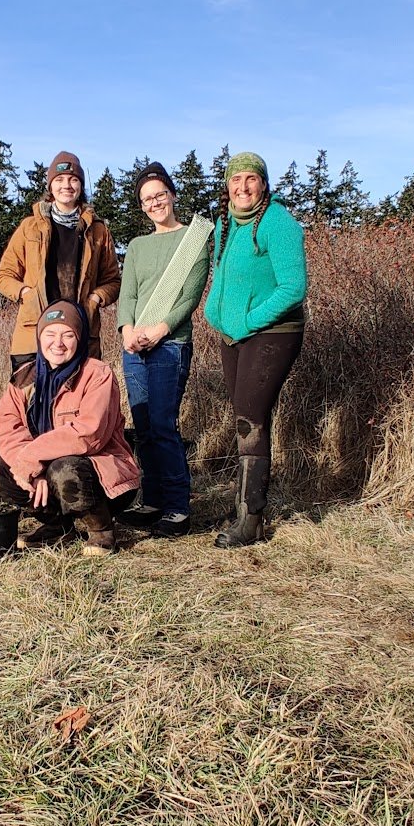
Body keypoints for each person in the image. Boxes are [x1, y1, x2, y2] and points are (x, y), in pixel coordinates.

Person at [203, 152, 306, 548]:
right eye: (235, 179)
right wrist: (215, 312)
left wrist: (248, 320)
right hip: (235, 334)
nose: (242, 187)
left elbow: (293, 287)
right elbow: (222, 278)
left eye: (251, 179)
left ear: (263, 184)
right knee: (244, 415)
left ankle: (251, 521)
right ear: (227, 185)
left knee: (250, 416)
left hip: (275, 332)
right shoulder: (225, 224)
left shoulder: (278, 223)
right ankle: (246, 506)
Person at [0, 300, 139, 555]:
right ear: (39, 338)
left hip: (101, 476)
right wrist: (30, 468)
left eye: (67, 335)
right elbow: (7, 426)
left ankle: (101, 530)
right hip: (45, 469)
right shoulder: (24, 378)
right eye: (50, 334)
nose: (57, 343)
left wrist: (33, 456)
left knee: (65, 469)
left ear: (79, 338)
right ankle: (57, 527)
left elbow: (89, 434)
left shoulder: (97, 374)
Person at [115, 162, 210, 538]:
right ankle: (151, 499)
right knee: (143, 427)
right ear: (141, 206)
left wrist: (159, 329)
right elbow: (129, 294)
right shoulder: (138, 246)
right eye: (146, 199)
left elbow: (190, 294)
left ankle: (176, 506)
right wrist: (126, 330)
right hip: (134, 347)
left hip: (170, 344)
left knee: (163, 424)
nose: (155, 203)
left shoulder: (195, 238)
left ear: (172, 194)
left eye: (159, 195)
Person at [0, 151, 121, 371]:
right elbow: (4, 276)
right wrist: (26, 293)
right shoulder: (29, 227)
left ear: (81, 186)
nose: (67, 185)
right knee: (31, 401)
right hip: (33, 332)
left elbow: (113, 280)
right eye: (59, 179)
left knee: (78, 401)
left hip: (81, 333)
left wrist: (96, 297)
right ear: (50, 186)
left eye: (73, 179)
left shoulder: (98, 231)